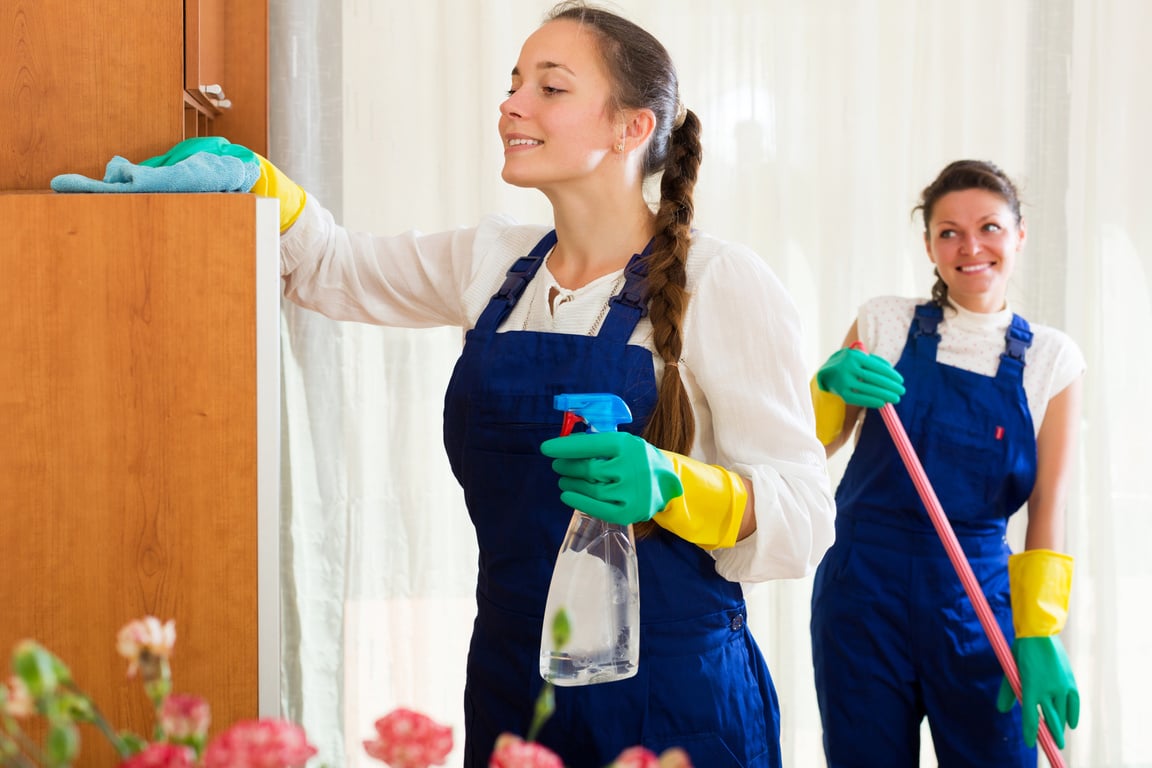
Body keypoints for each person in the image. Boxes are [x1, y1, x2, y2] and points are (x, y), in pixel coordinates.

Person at [151, 2, 834, 765]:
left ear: (630, 128)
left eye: (550, 87)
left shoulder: (721, 280)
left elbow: (806, 514)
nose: (511, 104)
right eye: (514, 83)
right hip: (514, 679)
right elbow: (332, 266)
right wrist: (256, 180)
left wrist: (677, 487)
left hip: (672, 693)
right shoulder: (495, 264)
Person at [809, 159, 1083, 766]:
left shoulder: (1051, 360)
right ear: (930, 243)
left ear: (1019, 234)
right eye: (949, 232)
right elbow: (813, 448)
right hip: (862, 593)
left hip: (977, 601)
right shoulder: (886, 322)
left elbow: (1047, 506)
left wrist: (1039, 631)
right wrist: (828, 386)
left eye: (989, 227)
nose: (970, 247)